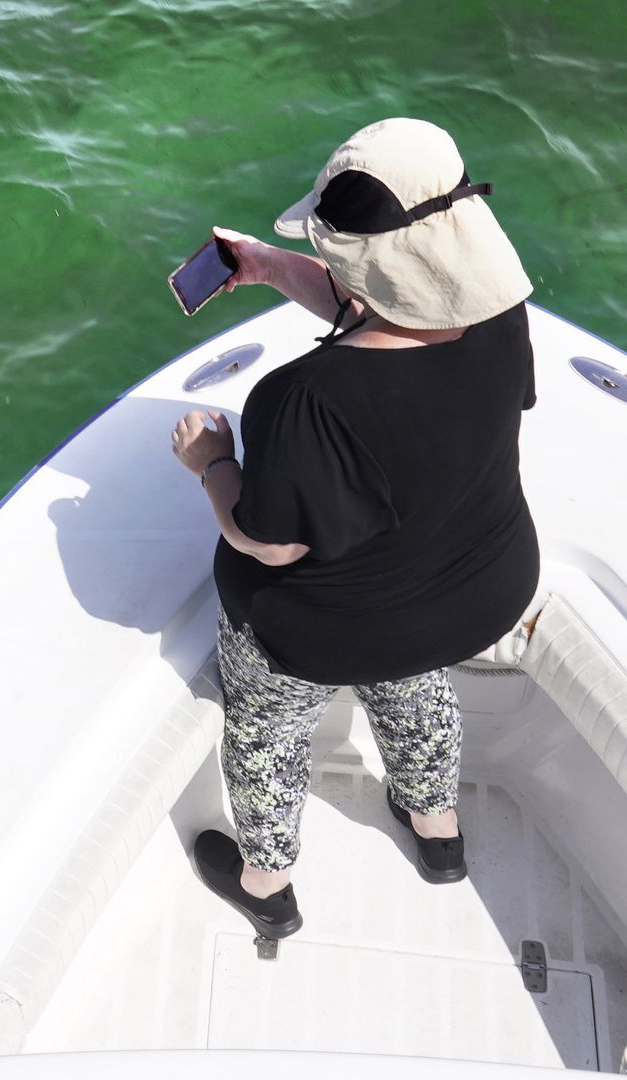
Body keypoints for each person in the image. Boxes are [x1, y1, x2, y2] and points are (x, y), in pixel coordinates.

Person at [168, 117, 540, 939]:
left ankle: (267, 885)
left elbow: (268, 542)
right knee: (412, 679)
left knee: (268, 731)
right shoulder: (502, 317)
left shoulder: (305, 399)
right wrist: (270, 267)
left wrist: (212, 464)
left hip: (328, 630)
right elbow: (399, 316)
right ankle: (437, 831)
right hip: (474, 594)